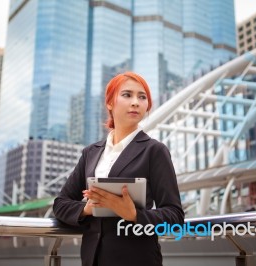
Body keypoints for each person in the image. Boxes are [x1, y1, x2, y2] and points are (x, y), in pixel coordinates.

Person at [53, 71, 184, 266]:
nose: (135, 102)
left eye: (142, 97)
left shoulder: (154, 151)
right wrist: (87, 209)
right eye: (127, 95)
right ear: (110, 103)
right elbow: (61, 204)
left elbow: (175, 217)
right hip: (92, 260)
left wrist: (134, 214)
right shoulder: (91, 153)